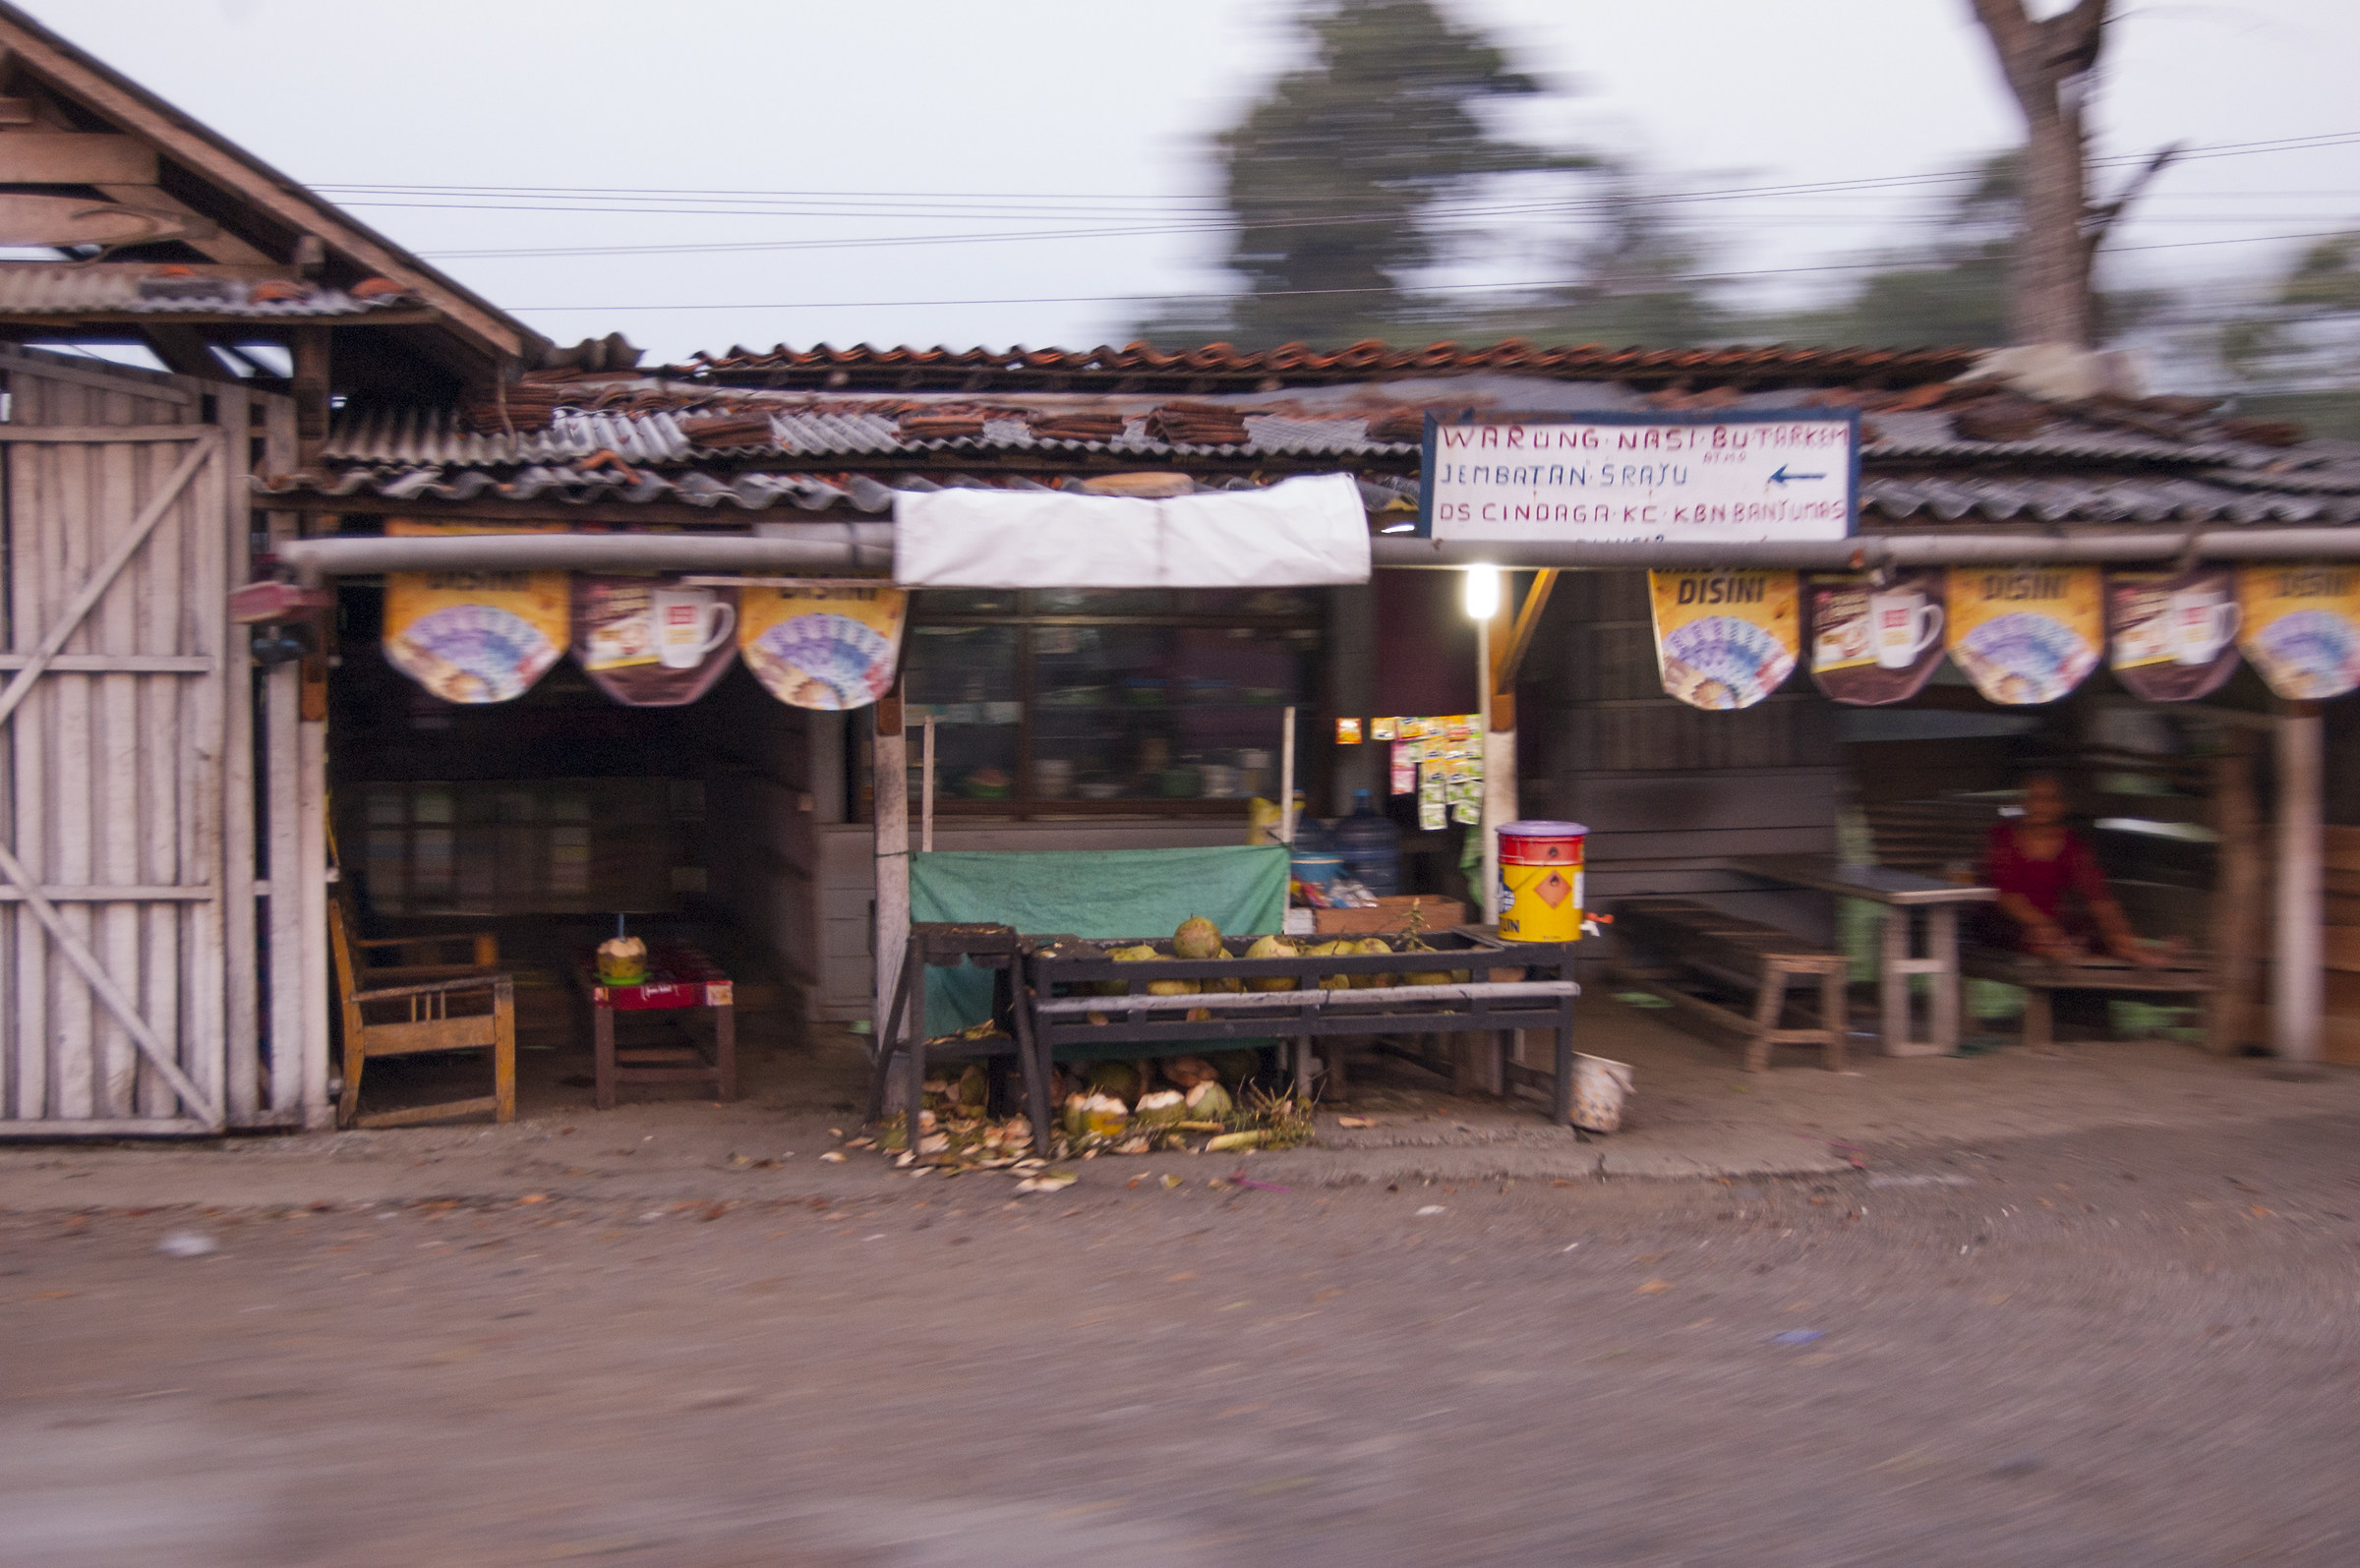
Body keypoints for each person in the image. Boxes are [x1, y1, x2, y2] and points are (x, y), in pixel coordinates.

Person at [1981, 773, 2165, 968]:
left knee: (2096, 932)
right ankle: (2057, 950)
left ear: (2062, 806)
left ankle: (2129, 950)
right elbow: (2006, 896)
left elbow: (2098, 896)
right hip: (2009, 922)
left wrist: (2121, 935)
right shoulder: (2003, 837)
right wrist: (2042, 925)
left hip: (2055, 929)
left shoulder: (2072, 845)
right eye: (2034, 799)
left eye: (2049, 800)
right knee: (2039, 937)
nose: (2040, 806)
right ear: (2023, 803)